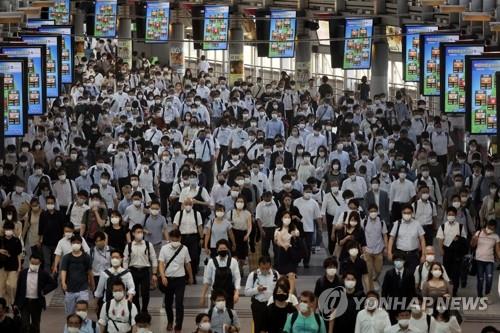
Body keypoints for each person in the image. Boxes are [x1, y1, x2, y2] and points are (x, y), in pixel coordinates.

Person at [158, 229, 193, 333]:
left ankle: (178, 326)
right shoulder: (164, 248)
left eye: (176, 238)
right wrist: (163, 276)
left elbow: (187, 264)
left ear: (180, 238)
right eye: (172, 238)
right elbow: (161, 263)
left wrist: (191, 276)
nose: (174, 240)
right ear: (169, 238)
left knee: (179, 303)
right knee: (168, 303)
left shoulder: (184, 249)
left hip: (180, 280)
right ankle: (170, 321)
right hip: (168, 279)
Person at [14, 254, 57, 333]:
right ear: (30, 261)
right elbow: (19, 288)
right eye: (32, 263)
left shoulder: (43, 273)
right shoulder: (23, 273)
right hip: (24, 302)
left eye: (36, 264)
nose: (33, 265)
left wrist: (44, 291)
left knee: (35, 324)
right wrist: (15, 303)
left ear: (40, 263)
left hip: (37, 302)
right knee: (24, 324)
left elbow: (54, 284)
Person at [123, 224, 158, 313]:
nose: (140, 234)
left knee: (145, 293)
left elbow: (153, 259)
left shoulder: (148, 244)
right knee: (134, 293)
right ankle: (137, 311)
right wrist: (125, 273)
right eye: (138, 232)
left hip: (145, 271)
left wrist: (154, 274)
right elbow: (125, 260)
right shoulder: (129, 246)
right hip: (133, 271)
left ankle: (144, 310)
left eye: (141, 232)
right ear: (133, 233)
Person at [436, 207, 468, 296]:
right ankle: (446, 289)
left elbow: (464, 238)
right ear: (447, 215)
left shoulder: (460, 226)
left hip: (457, 252)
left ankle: (455, 290)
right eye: (449, 214)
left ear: (455, 215)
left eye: (452, 214)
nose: (451, 216)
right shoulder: (443, 226)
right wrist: (441, 249)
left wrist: (459, 238)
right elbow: (440, 238)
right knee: (446, 271)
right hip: (447, 251)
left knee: (456, 272)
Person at [201, 239, 241, 310]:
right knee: (214, 317)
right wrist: (203, 296)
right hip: (216, 295)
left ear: (228, 249)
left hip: (229, 295)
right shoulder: (211, 262)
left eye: (224, 248)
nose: (222, 250)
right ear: (217, 250)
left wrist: (237, 293)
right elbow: (207, 280)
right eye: (220, 249)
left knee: (228, 317)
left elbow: (237, 278)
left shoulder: (233, 261)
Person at [60, 235, 94, 315]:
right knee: (70, 313)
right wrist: (63, 282)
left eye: (78, 242)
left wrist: (92, 284)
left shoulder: (86, 257)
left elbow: (90, 272)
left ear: (81, 244)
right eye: (74, 242)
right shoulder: (66, 257)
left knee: (82, 312)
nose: (76, 244)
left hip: (83, 289)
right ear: (71, 244)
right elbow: (63, 270)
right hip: (70, 289)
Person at [244, 256, 279, 333]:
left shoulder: (275, 274)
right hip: (258, 305)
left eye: (267, 268)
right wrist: (257, 290)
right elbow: (246, 292)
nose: (265, 270)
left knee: (273, 327)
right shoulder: (253, 275)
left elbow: (279, 288)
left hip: (272, 305)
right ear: (259, 266)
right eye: (263, 268)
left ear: (270, 266)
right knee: (259, 328)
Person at [94, 249, 135, 315]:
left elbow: (131, 288)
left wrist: (130, 298)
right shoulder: (105, 273)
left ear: (121, 259)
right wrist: (96, 303)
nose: (114, 259)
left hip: (122, 303)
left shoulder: (127, 273)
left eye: (117, 257)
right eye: (113, 257)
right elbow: (99, 290)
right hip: (107, 303)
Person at [387, 204, 426, 274]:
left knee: (413, 275)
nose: (407, 214)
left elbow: (422, 240)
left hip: (413, 255)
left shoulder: (417, 224)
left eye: (409, 213)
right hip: (400, 254)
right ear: (401, 213)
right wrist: (389, 252)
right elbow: (391, 238)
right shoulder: (397, 224)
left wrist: (423, 254)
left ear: (412, 213)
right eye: (405, 213)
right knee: (399, 275)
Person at [173, 197, 203, 280]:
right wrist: (175, 238)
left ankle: (192, 276)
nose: (188, 206)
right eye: (186, 204)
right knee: (182, 257)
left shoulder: (197, 214)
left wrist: (201, 238)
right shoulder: (179, 214)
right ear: (183, 204)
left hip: (193, 237)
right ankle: (184, 277)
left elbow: (200, 227)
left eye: (190, 204)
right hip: (182, 238)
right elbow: (175, 226)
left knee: (194, 257)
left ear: (192, 205)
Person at [381, 253, 416, 323]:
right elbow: (384, 290)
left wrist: (412, 304)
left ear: (404, 261)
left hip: (406, 304)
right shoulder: (389, 273)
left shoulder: (409, 273)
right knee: (393, 323)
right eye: (396, 260)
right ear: (393, 261)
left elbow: (412, 290)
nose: (398, 262)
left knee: (405, 323)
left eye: (400, 260)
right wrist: (384, 305)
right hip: (392, 304)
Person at [471, 220, 500, 300]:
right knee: (480, 279)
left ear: (495, 229)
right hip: (479, 259)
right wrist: (474, 239)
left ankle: (487, 294)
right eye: (489, 227)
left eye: (492, 229)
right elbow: (472, 245)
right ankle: (480, 296)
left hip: (489, 261)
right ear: (486, 226)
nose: (490, 230)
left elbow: (497, 250)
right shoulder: (479, 233)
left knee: (489, 279)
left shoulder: (496, 237)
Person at [361, 204, 388, 291]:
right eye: (371, 211)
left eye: (375, 211)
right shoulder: (364, 222)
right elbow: (361, 235)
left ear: (377, 211)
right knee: (369, 271)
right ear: (368, 212)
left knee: (379, 269)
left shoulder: (381, 222)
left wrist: (386, 248)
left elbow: (385, 235)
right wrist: (362, 248)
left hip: (379, 250)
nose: (373, 213)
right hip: (367, 250)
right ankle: (370, 290)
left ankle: (375, 277)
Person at [0, 221, 23, 306]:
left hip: (13, 266)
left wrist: (19, 267)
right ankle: (6, 305)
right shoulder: (0, 239)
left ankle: (12, 301)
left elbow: (19, 255)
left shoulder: (16, 241)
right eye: (6, 229)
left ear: (13, 230)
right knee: (2, 287)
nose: (8, 231)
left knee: (11, 285)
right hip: (2, 266)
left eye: (10, 229)